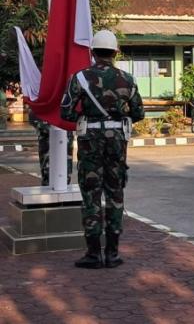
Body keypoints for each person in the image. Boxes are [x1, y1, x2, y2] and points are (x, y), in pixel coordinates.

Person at [61, 30, 144, 268]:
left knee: (91, 195)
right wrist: (120, 114)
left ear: (92, 52)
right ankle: (113, 253)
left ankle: (93, 254)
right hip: (117, 142)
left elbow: (65, 112)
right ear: (116, 52)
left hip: (90, 142)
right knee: (115, 193)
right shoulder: (127, 79)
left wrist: (87, 114)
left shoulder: (80, 78)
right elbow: (138, 113)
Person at [28, 109, 74, 186]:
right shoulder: (43, 100)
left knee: (66, 174)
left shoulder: (68, 99)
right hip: (48, 143)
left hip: (66, 142)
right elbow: (33, 116)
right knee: (48, 174)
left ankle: (63, 194)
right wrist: (52, 128)